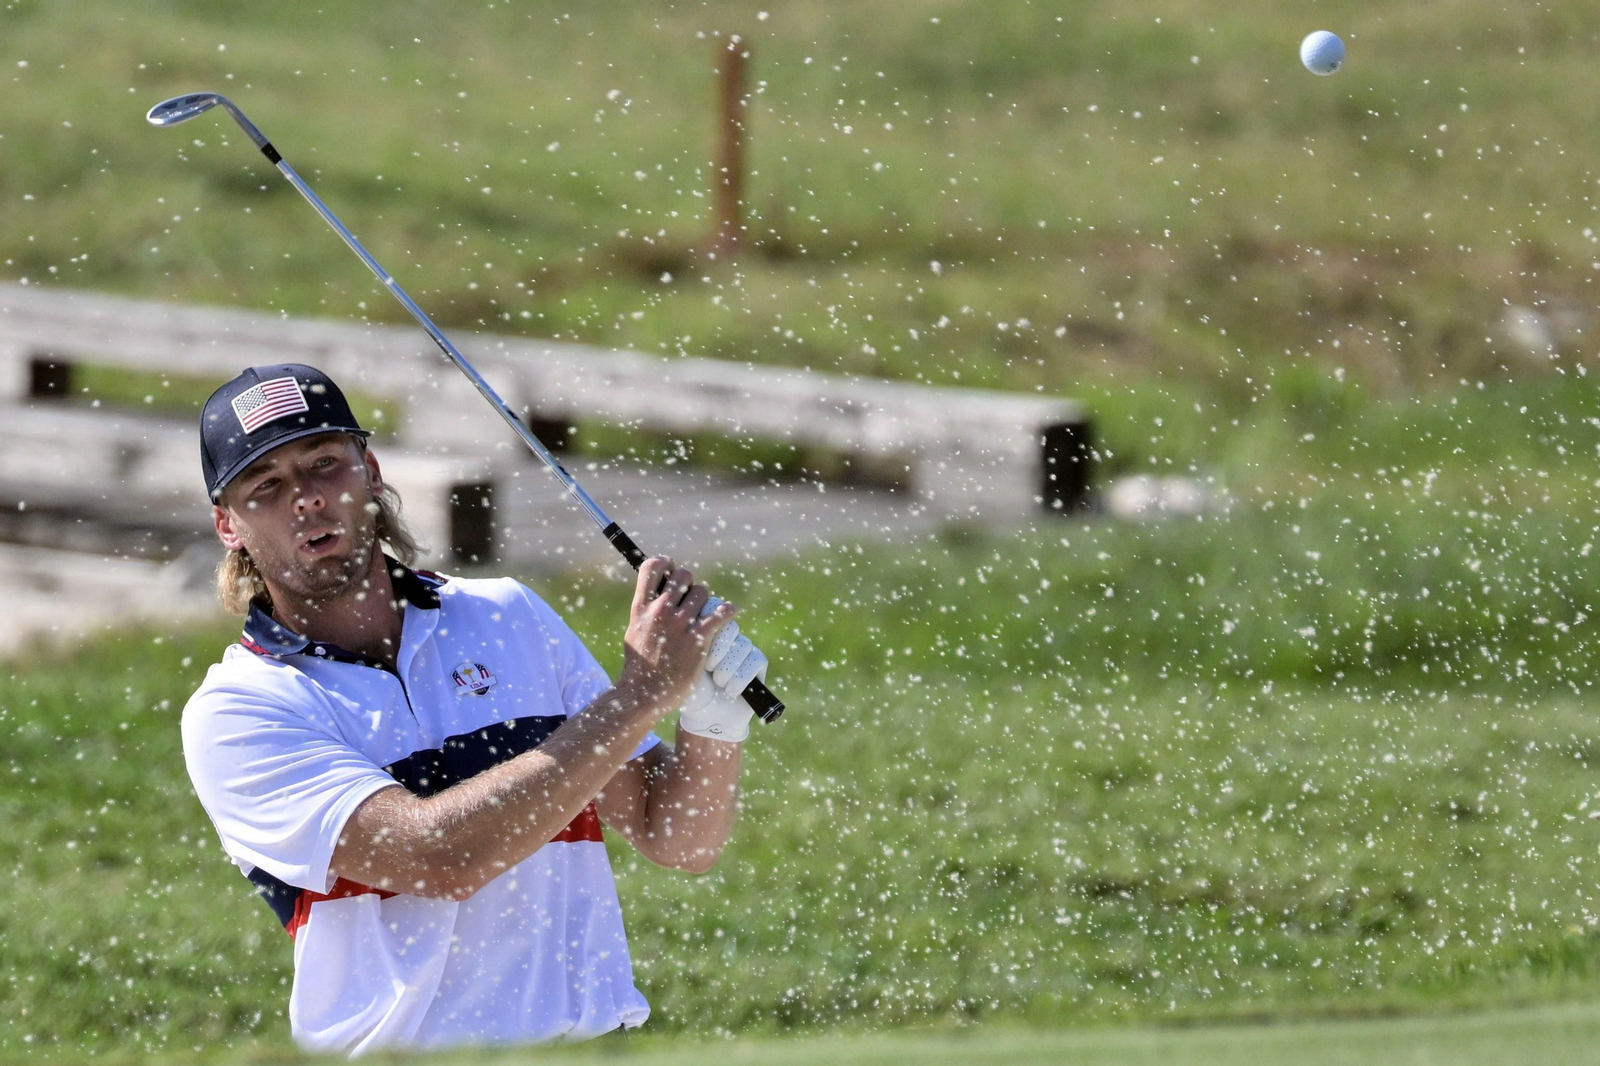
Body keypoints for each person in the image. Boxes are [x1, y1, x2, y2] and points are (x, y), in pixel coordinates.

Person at [180, 364, 768, 1056]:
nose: (306, 498)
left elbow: (675, 836)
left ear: (369, 471)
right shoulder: (239, 710)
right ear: (228, 524)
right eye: (266, 486)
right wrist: (638, 697)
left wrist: (710, 719)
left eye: (324, 464)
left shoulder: (508, 614)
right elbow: (442, 859)